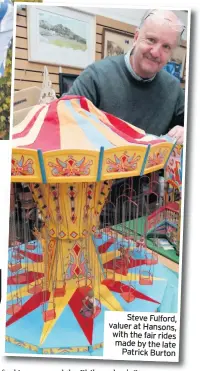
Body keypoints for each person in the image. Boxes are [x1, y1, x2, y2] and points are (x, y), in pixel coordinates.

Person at [66, 9, 185, 144]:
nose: (156, 52)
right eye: (151, 40)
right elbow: (63, 120)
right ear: (136, 38)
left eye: (166, 47)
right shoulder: (95, 76)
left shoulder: (174, 90)